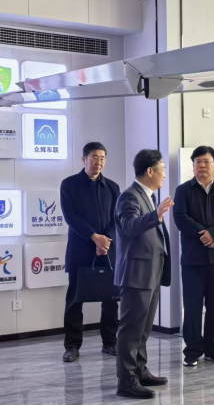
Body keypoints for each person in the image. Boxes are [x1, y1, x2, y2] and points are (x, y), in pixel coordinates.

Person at [173, 146, 214, 367]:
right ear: (193, 165)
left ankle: (213, 349)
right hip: (193, 258)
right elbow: (180, 218)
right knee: (192, 306)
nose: (202, 165)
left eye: (206, 161)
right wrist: (204, 234)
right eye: (198, 162)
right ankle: (192, 350)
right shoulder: (183, 190)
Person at [115, 150, 173, 400]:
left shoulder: (147, 195)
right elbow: (128, 227)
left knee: (143, 329)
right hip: (136, 274)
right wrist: (156, 215)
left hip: (151, 272)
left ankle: (140, 371)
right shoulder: (130, 196)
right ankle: (127, 382)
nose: (164, 174)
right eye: (162, 168)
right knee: (131, 330)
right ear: (150, 171)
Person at [60, 142, 120, 363]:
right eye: (94, 157)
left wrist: (105, 241)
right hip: (80, 250)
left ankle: (110, 342)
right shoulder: (69, 184)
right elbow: (71, 217)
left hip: (107, 251)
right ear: (84, 159)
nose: (98, 162)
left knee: (111, 298)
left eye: (102, 158)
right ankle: (72, 346)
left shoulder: (112, 187)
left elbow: (116, 218)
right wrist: (94, 237)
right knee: (75, 300)